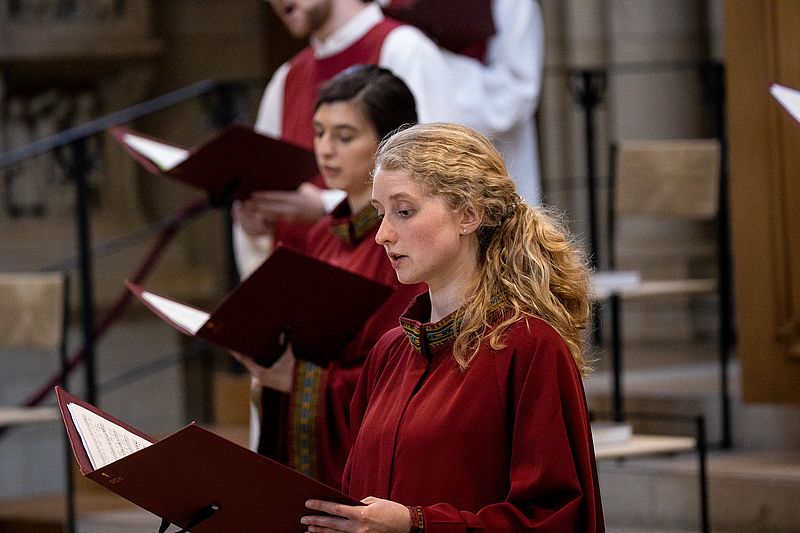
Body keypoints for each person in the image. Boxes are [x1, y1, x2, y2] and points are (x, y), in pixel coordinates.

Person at [301, 123, 604, 531]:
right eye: (380, 213)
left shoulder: (529, 347)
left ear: (468, 215)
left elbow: (555, 518)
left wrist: (417, 524)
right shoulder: (389, 352)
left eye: (403, 211)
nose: (383, 235)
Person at [232, 65, 425, 489]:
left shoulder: (406, 245)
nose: (326, 150)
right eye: (319, 132)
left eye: (344, 136)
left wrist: (296, 381)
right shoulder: (324, 233)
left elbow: (408, 370)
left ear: (389, 144)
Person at [232, 0, 454, 279]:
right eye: (319, 133)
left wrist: (323, 207)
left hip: (385, 274)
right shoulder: (286, 77)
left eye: (344, 136)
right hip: (300, 277)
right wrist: (254, 219)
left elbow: (437, 178)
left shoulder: (404, 49)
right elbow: (263, 177)